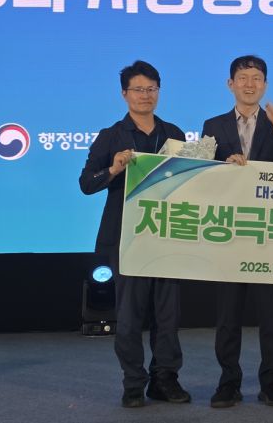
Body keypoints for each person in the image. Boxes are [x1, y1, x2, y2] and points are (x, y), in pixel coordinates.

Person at [79, 60, 190, 408]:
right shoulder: (111, 136)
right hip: (126, 238)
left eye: (151, 89)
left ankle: (165, 380)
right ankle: (133, 383)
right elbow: (86, 184)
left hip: (166, 234)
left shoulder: (174, 134)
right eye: (138, 89)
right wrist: (113, 169)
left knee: (167, 317)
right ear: (124, 94)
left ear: (159, 92)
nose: (145, 95)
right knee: (129, 318)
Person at [201, 55, 273, 408]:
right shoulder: (213, 125)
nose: (250, 84)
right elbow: (202, 173)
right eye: (243, 78)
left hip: (268, 231)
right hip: (229, 231)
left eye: (257, 78)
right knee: (228, 314)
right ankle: (228, 381)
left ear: (265, 85)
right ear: (231, 84)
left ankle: (271, 380)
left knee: (270, 314)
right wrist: (222, 166)